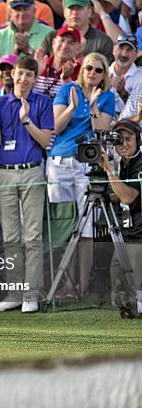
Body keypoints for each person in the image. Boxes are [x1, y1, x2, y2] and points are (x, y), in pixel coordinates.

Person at [0, 56, 53, 313]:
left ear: (35, 79)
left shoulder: (43, 102)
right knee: (11, 237)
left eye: (29, 75)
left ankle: (31, 294)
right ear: (13, 75)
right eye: (20, 73)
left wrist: (27, 121)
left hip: (32, 172)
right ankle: (14, 293)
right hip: (3, 173)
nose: (23, 79)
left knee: (32, 236)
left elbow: (46, 141)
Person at [49, 52, 114, 298]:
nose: (92, 74)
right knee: (62, 223)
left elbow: (101, 130)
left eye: (99, 70)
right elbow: (56, 127)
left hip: (86, 163)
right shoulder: (68, 90)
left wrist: (94, 106)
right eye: (89, 68)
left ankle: (82, 286)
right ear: (82, 69)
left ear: (104, 74)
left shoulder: (107, 96)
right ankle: (64, 284)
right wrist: (74, 107)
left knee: (85, 227)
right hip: (59, 161)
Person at [98, 119, 142, 315]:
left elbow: (128, 196)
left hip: (139, 235)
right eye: (118, 140)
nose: (123, 144)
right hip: (125, 232)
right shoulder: (121, 163)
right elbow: (117, 195)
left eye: (128, 139)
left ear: (138, 140)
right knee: (118, 297)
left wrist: (110, 172)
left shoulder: (139, 163)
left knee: (136, 295)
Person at [41, 0, 113, 64]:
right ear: (64, 12)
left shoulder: (103, 42)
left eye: (79, 8)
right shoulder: (52, 36)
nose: (75, 13)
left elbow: (105, 72)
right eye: (71, 8)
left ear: (89, 11)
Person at [33, 25, 82, 99]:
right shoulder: (40, 64)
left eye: (71, 43)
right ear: (53, 43)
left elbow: (79, 103)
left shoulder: (81, 72)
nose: (65, 46)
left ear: (78, 49)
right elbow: (23, 93)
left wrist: (67, 81)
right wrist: (37, 73)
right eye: (62, 40)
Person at [110, 34, 142, 117]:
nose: (124, 54)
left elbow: (139, 112)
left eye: (129, 50)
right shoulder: (100, 71)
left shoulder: (140, 78)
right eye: (121, 48)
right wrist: (105, 86)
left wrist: (124, 94)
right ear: (113, 50)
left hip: (129, 126)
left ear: (136, 54)